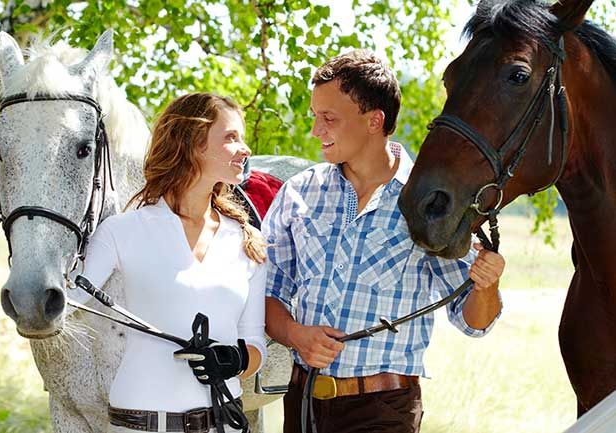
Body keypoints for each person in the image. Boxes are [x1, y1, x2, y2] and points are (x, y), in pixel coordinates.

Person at [262, 50, 505, 433]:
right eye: (314, 116)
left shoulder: (427, 202)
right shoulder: (298, 193)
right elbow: (269, 292)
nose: (315, 130)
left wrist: (486, 285)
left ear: (374, 121)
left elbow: (474, 322)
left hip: (383, 411)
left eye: (329, 118)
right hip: (303, 401)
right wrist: (294, 333)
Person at [81, 93, 267, 433]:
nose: (245, 149)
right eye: (231, 138)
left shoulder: (247, 240)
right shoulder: (121, 231)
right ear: (194, 143)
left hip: (223, 423)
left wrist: (235, 360)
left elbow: (256, 345)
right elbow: (66, 300)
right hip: (140, 425)